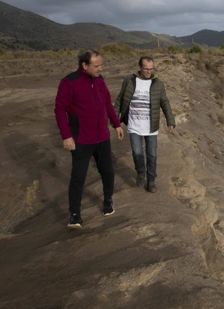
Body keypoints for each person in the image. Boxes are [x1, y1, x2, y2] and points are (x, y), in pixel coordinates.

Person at [54, 49, 124, 228]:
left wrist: (116, 125)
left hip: (102, 137)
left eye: (101, 64)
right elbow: (60, 109)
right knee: (78, 177)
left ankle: (108, 200)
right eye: (96, 65)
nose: (100, 68)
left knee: (108, 172)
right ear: (84, 65)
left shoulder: (100, 80)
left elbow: (107, 103)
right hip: (81, 140)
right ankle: (75, 215)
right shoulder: (69, 82)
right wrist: (66, 136)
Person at [114, 56, 176, 193]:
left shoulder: (157, 83)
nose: (149, 71)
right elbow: (120, 99)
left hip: (151, 126)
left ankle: (151, 180)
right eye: (146, 69)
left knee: (152, 155)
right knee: (137, 153)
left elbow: (164, 102)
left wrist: (170, 120)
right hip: (134, 124)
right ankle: (141, 172)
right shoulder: (129, 80)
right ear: (140, 68)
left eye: (151, 69)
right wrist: (114, 119)